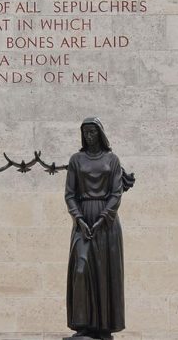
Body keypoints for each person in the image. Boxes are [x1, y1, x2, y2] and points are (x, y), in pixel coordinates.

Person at [64, 117, 126, 339]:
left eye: (93, 132)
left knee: (105, 272)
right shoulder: (76, 160)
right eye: (86, 133)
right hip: (82, 220)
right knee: (81, 269)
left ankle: (103, 327)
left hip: (107, 222)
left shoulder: (112, 159)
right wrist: (79, 219)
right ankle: (83, 324)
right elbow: (70, 194)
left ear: (100, 133)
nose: (89, 136)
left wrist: (102, 219)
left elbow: (116, 193)